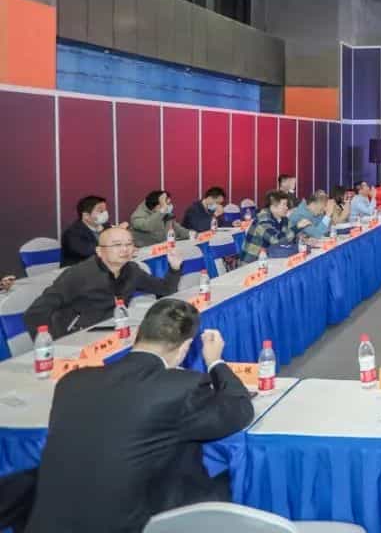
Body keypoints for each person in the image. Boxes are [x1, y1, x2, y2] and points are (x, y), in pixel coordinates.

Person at [25, 299, 255, 533]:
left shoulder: (72, 382)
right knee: (232, 484)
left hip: (48, 525)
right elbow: (239, 410)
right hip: (132, 525)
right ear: (185, 347)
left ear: (138, 334)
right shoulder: (182, 387)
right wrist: (215, 361)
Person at [23, 227, 182, 339]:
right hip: (78, 339)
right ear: (99, 251)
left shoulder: (132, 270)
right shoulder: (78, 275)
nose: (125, 249)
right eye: (117, 245)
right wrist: (52, 346)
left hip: (113, 335)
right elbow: (35, 313)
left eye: (129, 244)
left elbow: (165, 289)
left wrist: (174, 269)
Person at [240, 191, 308, 263]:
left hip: (271, 259)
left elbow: (287, 238)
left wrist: (304, 240)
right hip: (252, 263)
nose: (287, 208)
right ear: (273, 207)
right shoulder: (262, 220)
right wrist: (297, 227)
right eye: (284, 205)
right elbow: (276, 240)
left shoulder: (283, 219)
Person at [60, 194, 124, 268]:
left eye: (105, 210)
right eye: (101, 211)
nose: (105, 213)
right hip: (78, 269)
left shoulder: (106, 226)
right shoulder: (72, 233)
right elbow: (90, 252)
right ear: (86, 216)